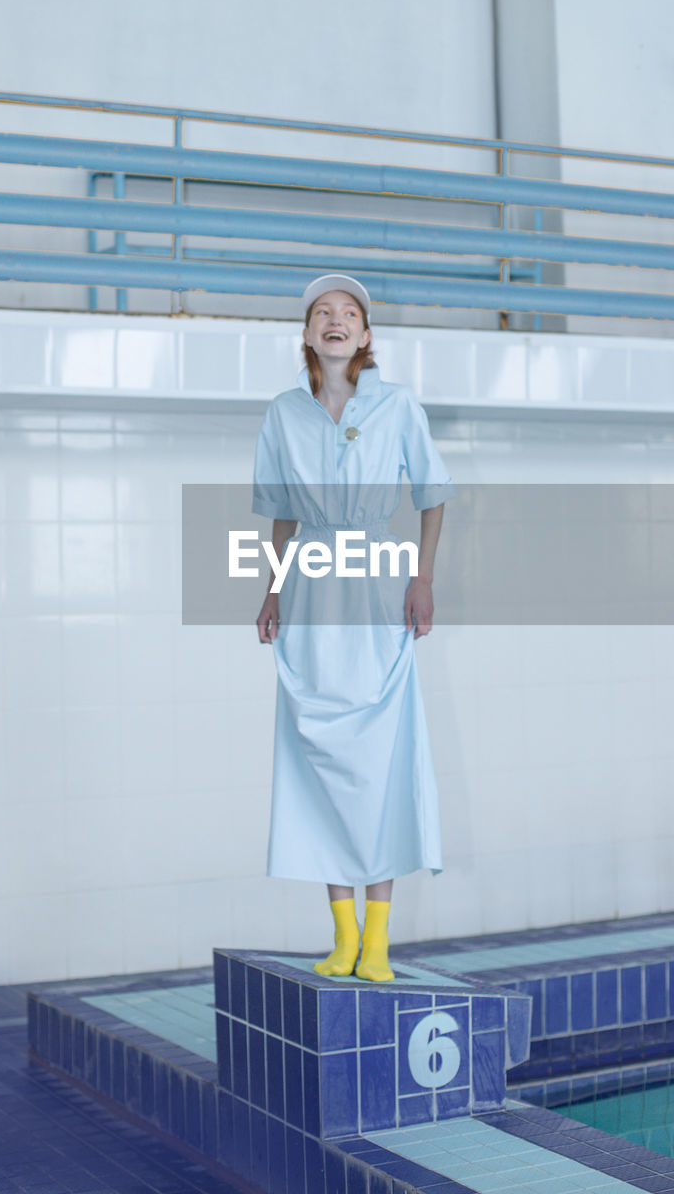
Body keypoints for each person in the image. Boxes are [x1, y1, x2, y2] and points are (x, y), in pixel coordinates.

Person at [252, 274, 454, 982]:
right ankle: (341, 935)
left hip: (374, 584)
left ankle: (377, 939)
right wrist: (271, 590)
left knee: (377, 758)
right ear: (307, 335)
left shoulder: (397, 406)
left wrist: (422, 578)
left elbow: (431, 496)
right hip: (310, 589)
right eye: (320, 313)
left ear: (365, 336)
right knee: (316, 756)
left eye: (348, 314)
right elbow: (280, 508)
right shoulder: (281, 414)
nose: (334, 321)